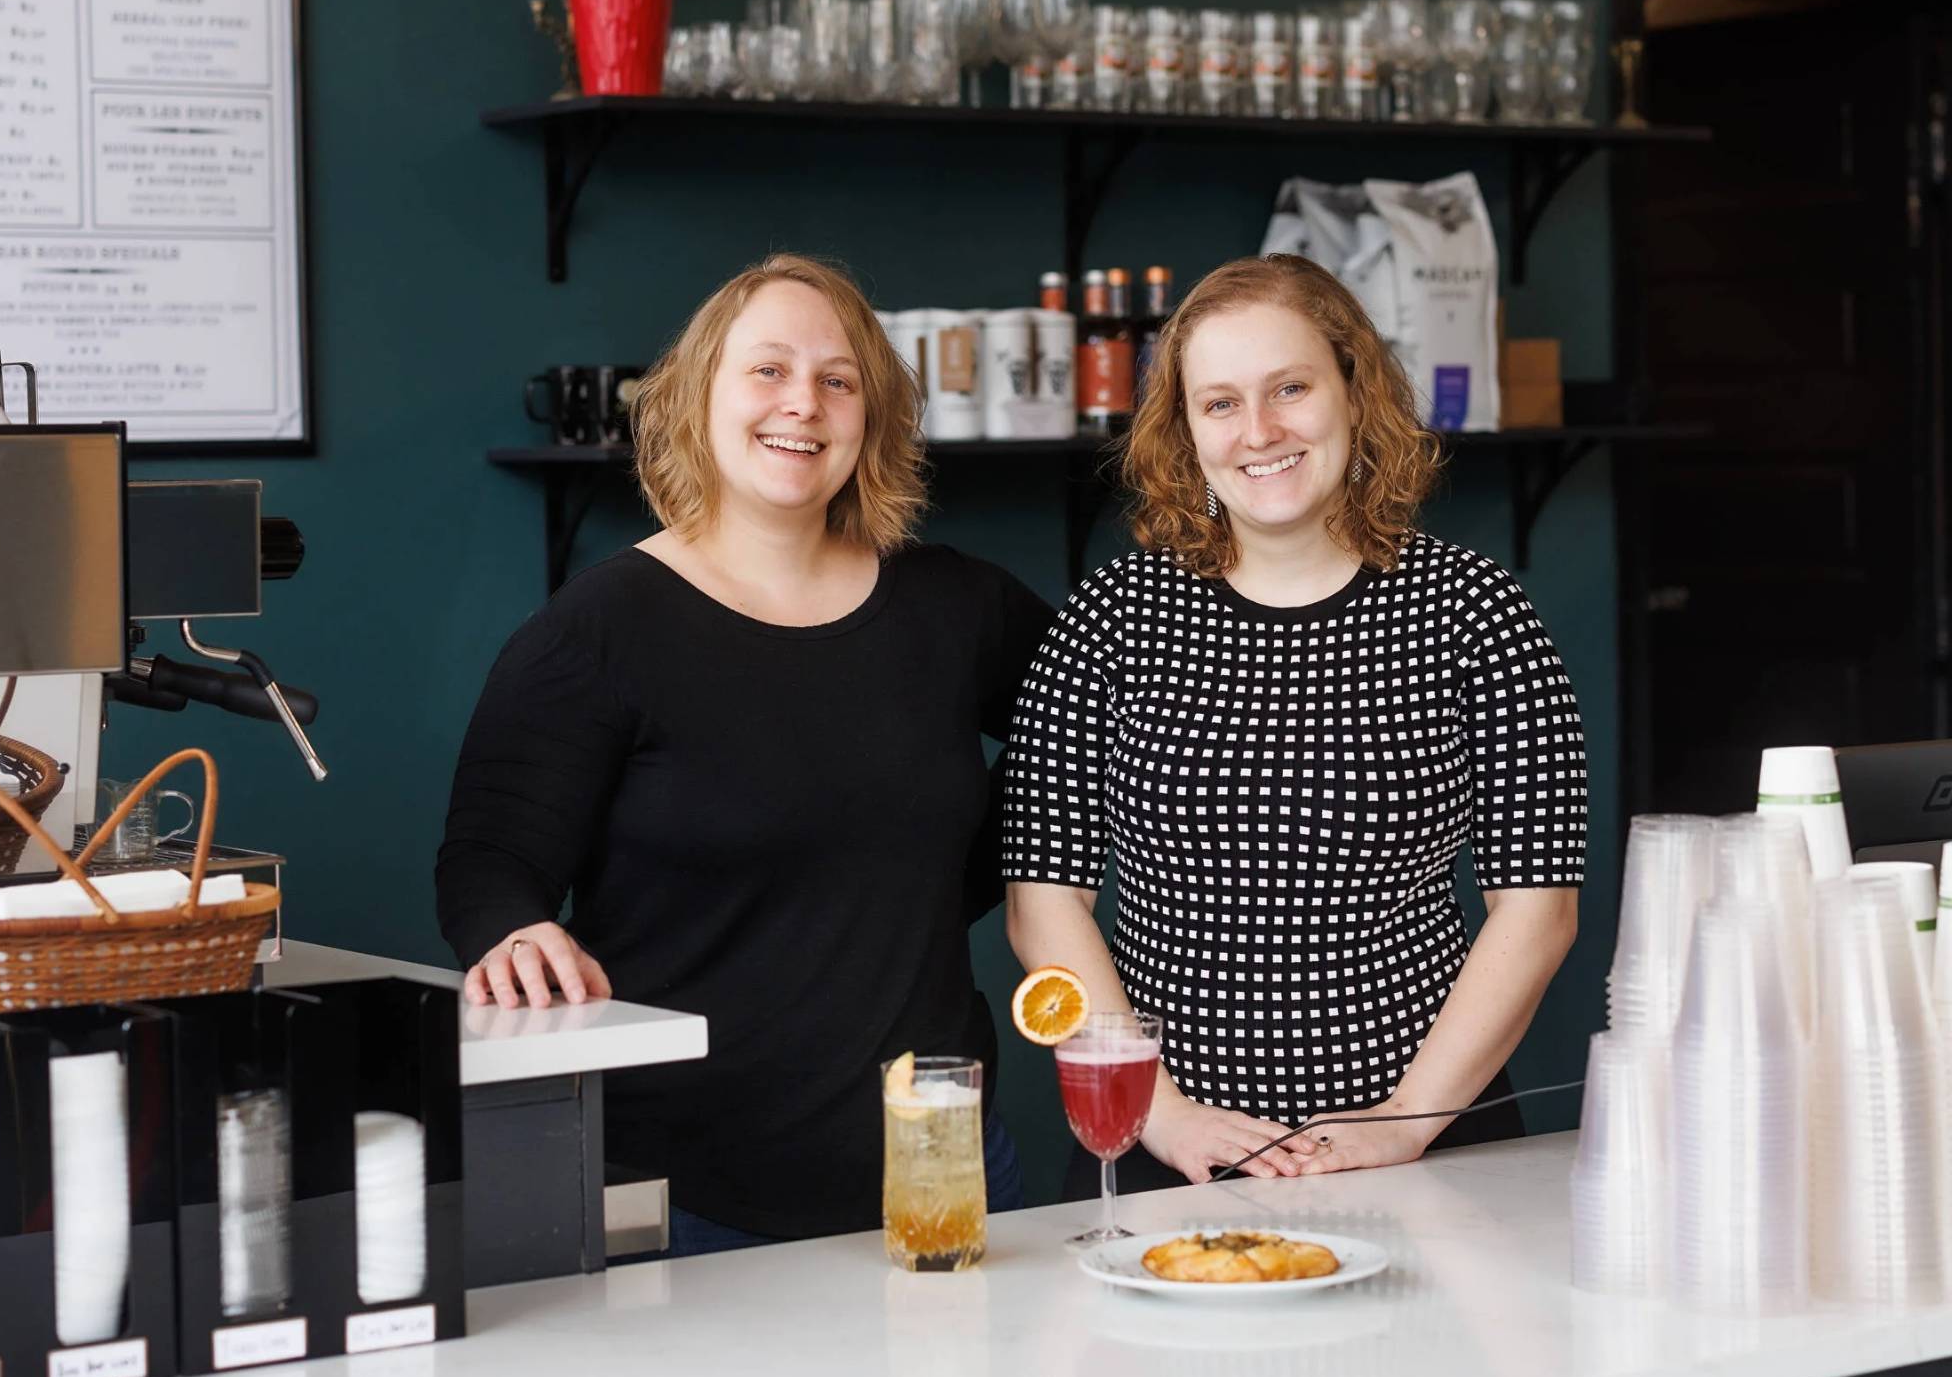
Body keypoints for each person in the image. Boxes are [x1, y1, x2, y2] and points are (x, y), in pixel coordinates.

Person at [436, 255, 1052, 1253]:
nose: (801, 404)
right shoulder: (596, 631)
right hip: (687, 1187)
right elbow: (488, 861)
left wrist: (936, 884)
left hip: (937, 1159)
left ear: (871, 415)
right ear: (696, 399)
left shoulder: (957, 606)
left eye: (837, 379)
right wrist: (508, 932)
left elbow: (1098, 727)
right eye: (766, 370)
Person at [1002, 253, 1586, 1190]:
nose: (1259, 431)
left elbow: (1538, 910)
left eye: (1290, 388)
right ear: (1185, 430)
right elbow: (1044, 906)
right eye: (1220, 403)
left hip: (1423, 1147)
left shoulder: (1477, 611)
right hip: (1171, 1152)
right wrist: (1161, 1113)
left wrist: (1402, 1120)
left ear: (1354, 391)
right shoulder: (1107, 622)